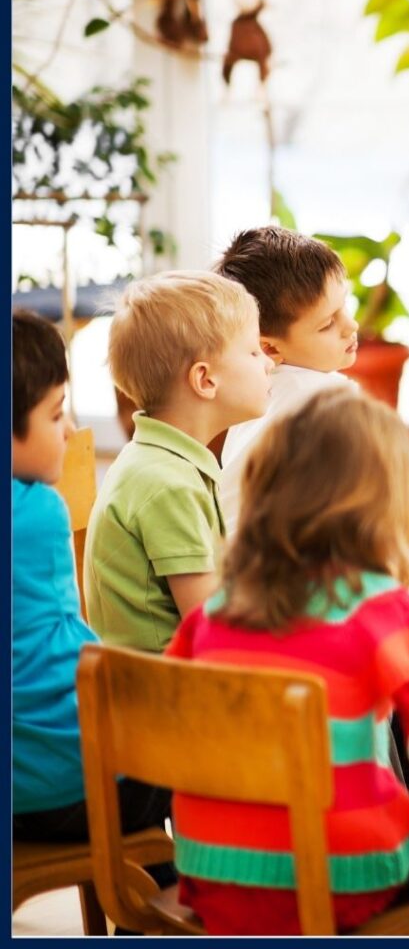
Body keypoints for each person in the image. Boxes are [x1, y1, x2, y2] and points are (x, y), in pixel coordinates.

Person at [164, 387, 409, 935]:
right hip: (341, 879)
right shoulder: (383, 609)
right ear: (384, 502)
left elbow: (166, 709)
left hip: (212, 877)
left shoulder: (216, 611)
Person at [12, 309, 174, 905]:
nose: (71, 428)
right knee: (198, 746)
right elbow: (69, 651)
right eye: (56, 414)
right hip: (69, 791)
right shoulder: (37, 511)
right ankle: (175, 906)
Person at [85, 272, 273, 652]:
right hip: (166, 697)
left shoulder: (162, 463)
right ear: (204, 380)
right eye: (254, 352)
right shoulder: (167, 485)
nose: (268, 364)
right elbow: (211, 627)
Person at [213, 226, 359, 535]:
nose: (351, 326)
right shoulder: (330, 398)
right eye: (327, 324)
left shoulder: (257, 394)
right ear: (270, 347)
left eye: (344, 306)